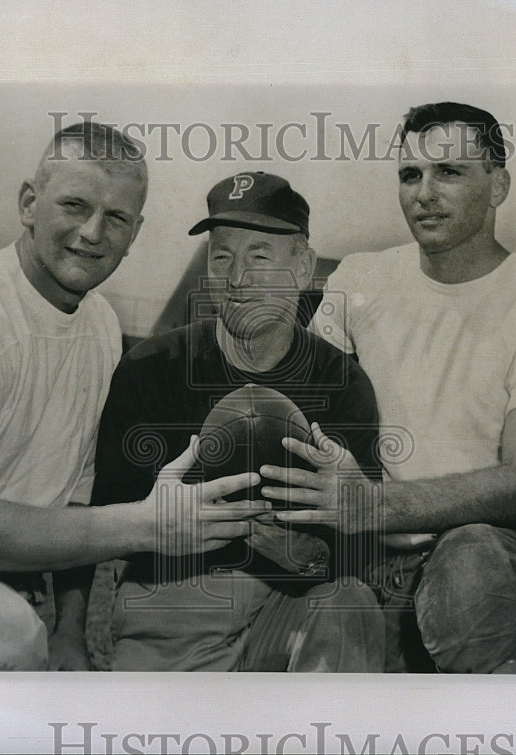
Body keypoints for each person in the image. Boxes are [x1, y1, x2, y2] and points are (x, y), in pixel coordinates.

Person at [0, 122, 268, 671]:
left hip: (11, 568)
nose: (92, 232)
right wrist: (146, 523)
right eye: (75, 205)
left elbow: (76, 496)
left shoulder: (102, 325)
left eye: (117, 218)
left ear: (136, 232)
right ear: (29, 202)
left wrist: (69, 630)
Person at [263, 102, 516, 673]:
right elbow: (313, 415)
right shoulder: (360, 280)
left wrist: (373, 505)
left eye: (449, 172)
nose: (424, 193)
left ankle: (472, 690)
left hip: (480, 548)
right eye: (410, 175)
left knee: (469, 569)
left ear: (498, 186)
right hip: (362, 543)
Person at [92, 171, 385, 672]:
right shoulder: (152, 367)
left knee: (348, 603)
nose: (237, 277)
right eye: (222, 255)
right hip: (175, 604)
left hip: (290, 603)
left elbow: (358, 553)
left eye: (260, 256)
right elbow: (102, 529)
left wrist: (302, 550)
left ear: (303, 267)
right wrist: (154, 526)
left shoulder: (342, 383)